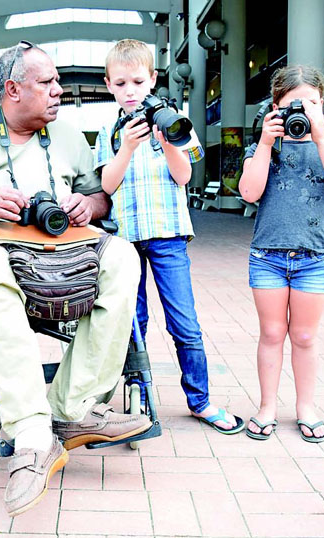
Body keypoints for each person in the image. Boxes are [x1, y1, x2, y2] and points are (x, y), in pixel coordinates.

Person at [0, 41, 150, 517]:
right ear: (12, 90)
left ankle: (72, 408)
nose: (59, 91)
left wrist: (87, 205)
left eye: (57, 82)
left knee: (123, 257)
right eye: (47, 82)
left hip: (64, 247)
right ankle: (33, 435)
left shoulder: (68, 136)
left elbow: (101, 197)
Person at [95, 39, 246, 435]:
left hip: (168, 235)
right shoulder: (109, 131)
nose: (130, 91)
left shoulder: (174, 121)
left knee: (184, 322)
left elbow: (184, 176)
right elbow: (107, 186)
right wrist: (127, 147)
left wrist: (168, 144)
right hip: (125, 240)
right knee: (133, 321)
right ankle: (138, 394)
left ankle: (201, 401)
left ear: (153, 79)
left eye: (137, 82)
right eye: (121, 83)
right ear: (108, 84)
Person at [238, 65, 324, 443]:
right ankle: (267, 408)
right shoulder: (263, 147)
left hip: (314, 259)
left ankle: (306, 407)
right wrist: (264, 143)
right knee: (272, 333)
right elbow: (248, 192)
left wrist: (321, 136)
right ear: (275, 107)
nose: (303, 113)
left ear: (322, 106)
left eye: (311, 104)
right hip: (267, 257)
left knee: (305, 336)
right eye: (294, 105)